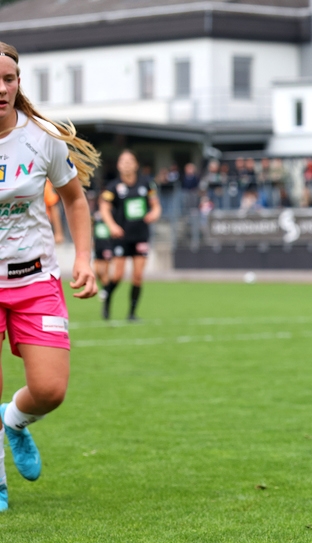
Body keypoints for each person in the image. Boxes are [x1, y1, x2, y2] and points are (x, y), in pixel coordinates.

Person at [0, 42, 100, 510]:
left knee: (49, 391)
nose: (2, 89)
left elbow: (75, 200)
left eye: (8, 79)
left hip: (36, 277)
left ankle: (14, 421)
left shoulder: (43, 136)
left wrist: (83, 257)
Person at [98, 150, 161, 321]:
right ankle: (107, 302)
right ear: (119, 165)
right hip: (121, 237)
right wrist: (112, 225)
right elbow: (104, 207)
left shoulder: (146, 184)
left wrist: (154, 213)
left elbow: (155, 205)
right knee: (118, 275)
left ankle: (132, 314)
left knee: (138, 276)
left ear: (136, 164)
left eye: (130, 160)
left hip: (141, 235)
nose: (126, 164)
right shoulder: (113, 187)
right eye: (123, 161)